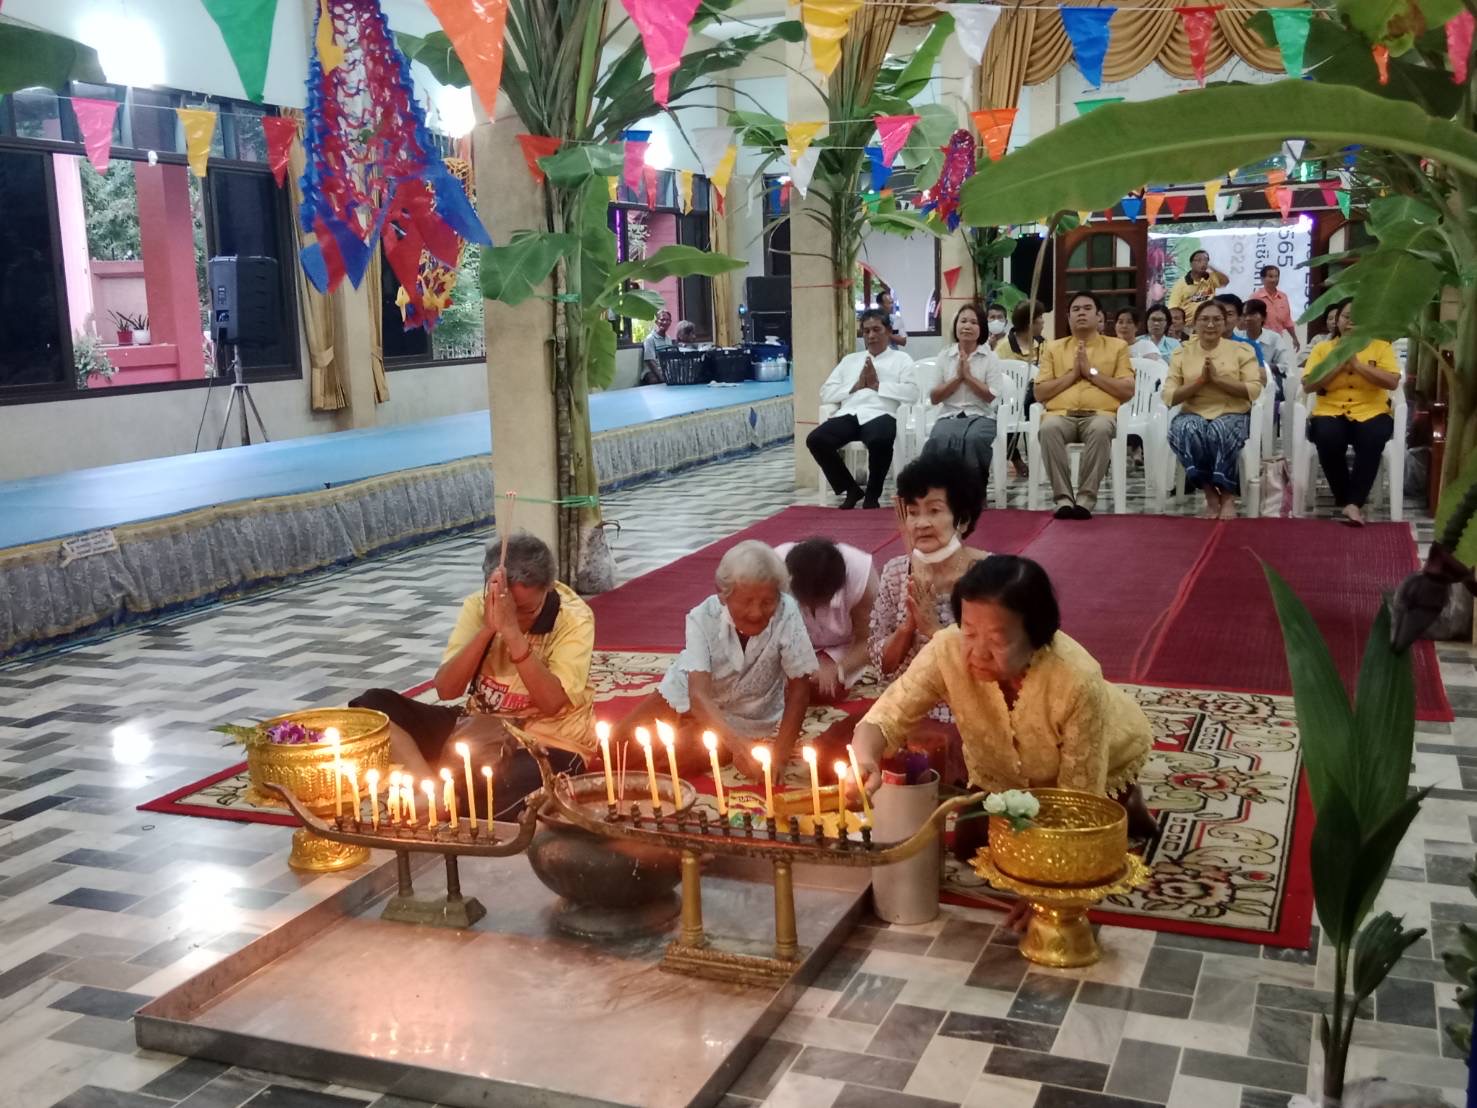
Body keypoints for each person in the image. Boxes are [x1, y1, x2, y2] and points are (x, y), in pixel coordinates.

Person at [853, 555, 1153, 837]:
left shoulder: (1076, 679)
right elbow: (887, 715)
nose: (979, 652)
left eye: (997, 640)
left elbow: (1078, 799)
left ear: (1036, 636)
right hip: (997, 775)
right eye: (969, 632)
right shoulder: (947, 650)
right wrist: (866, 759)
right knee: (971, 846)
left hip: (1103, 755)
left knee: (1058, 852)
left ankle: (1127, 801)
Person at [350, 533, 594, 818]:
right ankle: (432, 790)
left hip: (546, 740)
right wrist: (488, 629)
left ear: (548, 588)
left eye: (526, 610)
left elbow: (553, 703)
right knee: (372, 708)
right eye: (507, 608)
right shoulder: (478, 606)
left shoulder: (574, 618)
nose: (513, 616)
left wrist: (513, 633)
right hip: (477, 727)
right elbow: (446, 689)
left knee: (506, 795)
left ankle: (451, 797)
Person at [613, 540, 816, 778]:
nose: (756, 612)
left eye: (767, 602)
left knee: (670, 761)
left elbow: (800, 689)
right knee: (617, 749)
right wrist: (741, 748)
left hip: (744, 716)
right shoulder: (702, 617)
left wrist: (779, 757)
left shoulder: (787, 612)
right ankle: (689, 730)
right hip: (683, 696)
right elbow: (698, 695)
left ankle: (694, 736)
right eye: (746, 601)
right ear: (723, 595)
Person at [868, 456, 989, 786]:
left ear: (961, 519)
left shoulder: (990, 577)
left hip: (966, 711)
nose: (921, 522)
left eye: (934, 511)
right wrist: (908, 626)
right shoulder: (896, 572)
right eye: (914, 511)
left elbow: (995, 667)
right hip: (907, 709)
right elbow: (884, 666)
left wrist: (933, 628)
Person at [1034, 291, 1136, 520]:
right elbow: (1039, 392)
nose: (1081, 313)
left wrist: (1090, 372)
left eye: (1087, 308)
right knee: (1048, 429)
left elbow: (1127, 391)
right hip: (1061, 415)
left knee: (1100, 429)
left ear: (1099, 316)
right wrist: (1073, 375)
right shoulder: (1053, 348)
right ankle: (1063, 500)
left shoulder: (1117, 347)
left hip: (1100, 415)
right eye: (1076, 309)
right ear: (1068, 317)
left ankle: (1085, 500)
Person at [1302, 300, 1401, 527]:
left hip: (1372, 411)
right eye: (1346, 317)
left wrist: (1357, 364)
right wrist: (1338, 363)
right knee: (1326, 436)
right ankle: (1346, 498)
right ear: (1337, 321)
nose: (1351, 322)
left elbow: (1392, 381)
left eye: (1358, 317)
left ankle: (1353, 503)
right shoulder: (1322, 349)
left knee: (1373, 438)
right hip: (1330, 410)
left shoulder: (1381, 347)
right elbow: (1308, 385)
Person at [1163, 299, 1263, 519]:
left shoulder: (1241, 350)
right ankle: (1210, 493)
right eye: (1204, 320)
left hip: (1232, 413)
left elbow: (1253, 390)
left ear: (1226, 322)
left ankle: (1227, 495)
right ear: (1195, 324)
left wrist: (1217, 380)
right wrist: (1200, 382)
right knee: (1186, 429)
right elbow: (1169, 395)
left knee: (1218, 430)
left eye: (1217, 319)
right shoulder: (1182, 353)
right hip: (1193, 411)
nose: (1210, 325)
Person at [809, 309, 916, 509]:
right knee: (816, 440)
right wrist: (855, 386)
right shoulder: (850, 360)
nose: (871, 336)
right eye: (866, 331)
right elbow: (826, 392)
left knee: (880, 439)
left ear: (889, 331)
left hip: (881, 413)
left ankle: (872, 496)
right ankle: (851, 489)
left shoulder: (902, 360)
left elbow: (912, 393)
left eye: (876, 329)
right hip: (850, 414)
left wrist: (878, 386)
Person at [776, 538, 878, 699]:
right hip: (790, 647)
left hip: (847, 647)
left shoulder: (860, 576)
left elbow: (870, 640)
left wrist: (839, 669)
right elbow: (763, 637)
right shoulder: (772, 572)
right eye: (805, 603)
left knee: (837, 688)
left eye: (819, 604)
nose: (812, 609)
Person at [918, 303, 1004, 484]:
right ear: (956, 326)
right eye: (963, 321)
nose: (967, 326)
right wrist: (958, 377)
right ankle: (943, 492)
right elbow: (934, 397)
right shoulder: (944, 356)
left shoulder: (990, 358)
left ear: (981, 329)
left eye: (973, 322)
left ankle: (975, 490)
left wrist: (968, 377)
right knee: (939, 438)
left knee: (974, 439)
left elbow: (991, 396)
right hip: (949, 415)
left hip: (982, 416)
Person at [1240, 298, 1295, 415]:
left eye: (1252, 314)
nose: (1248, 318)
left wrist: (1263, 367)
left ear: (1263, 317)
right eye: (1245, 315)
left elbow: (1284, 366)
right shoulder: (1238, 338)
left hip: (1267, 382)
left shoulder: (1274, 338)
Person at [1167, 249, 1229, 324]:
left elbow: (1225, 282)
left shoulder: (1210, 278)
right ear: (1191, 264)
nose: (1203, 263)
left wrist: (1211, 267)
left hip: (1209, 323)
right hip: (1189, 326)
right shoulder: (1181, 284)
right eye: (1199, 260)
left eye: (1206, 260)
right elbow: (1173, 308)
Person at [1254, 264, 1299, 352]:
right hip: (1260, 340)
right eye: (1270, 276)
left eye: (1276, 276)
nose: (1274, 280)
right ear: (1262, 279)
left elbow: (1288, 321)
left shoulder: (1283, 297)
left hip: (1278, 340)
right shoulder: (1256, 297)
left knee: (1278, 365)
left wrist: (1294, 338)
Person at [999, 299, 1046, 365]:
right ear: (1029, 322)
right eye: (1040, 317)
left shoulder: (1044, 344)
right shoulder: (1002, 348)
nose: (1043, 321)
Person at [641, 308, 674, 384]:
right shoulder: (650, 339)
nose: (665, 322)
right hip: (651, 372)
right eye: (662, 320)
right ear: (656, 322)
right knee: (654, 380)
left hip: (665, 370)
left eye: (667, 320)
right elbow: (650, 362)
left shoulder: (668, 339)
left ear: (670, 322)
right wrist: (662, 378)